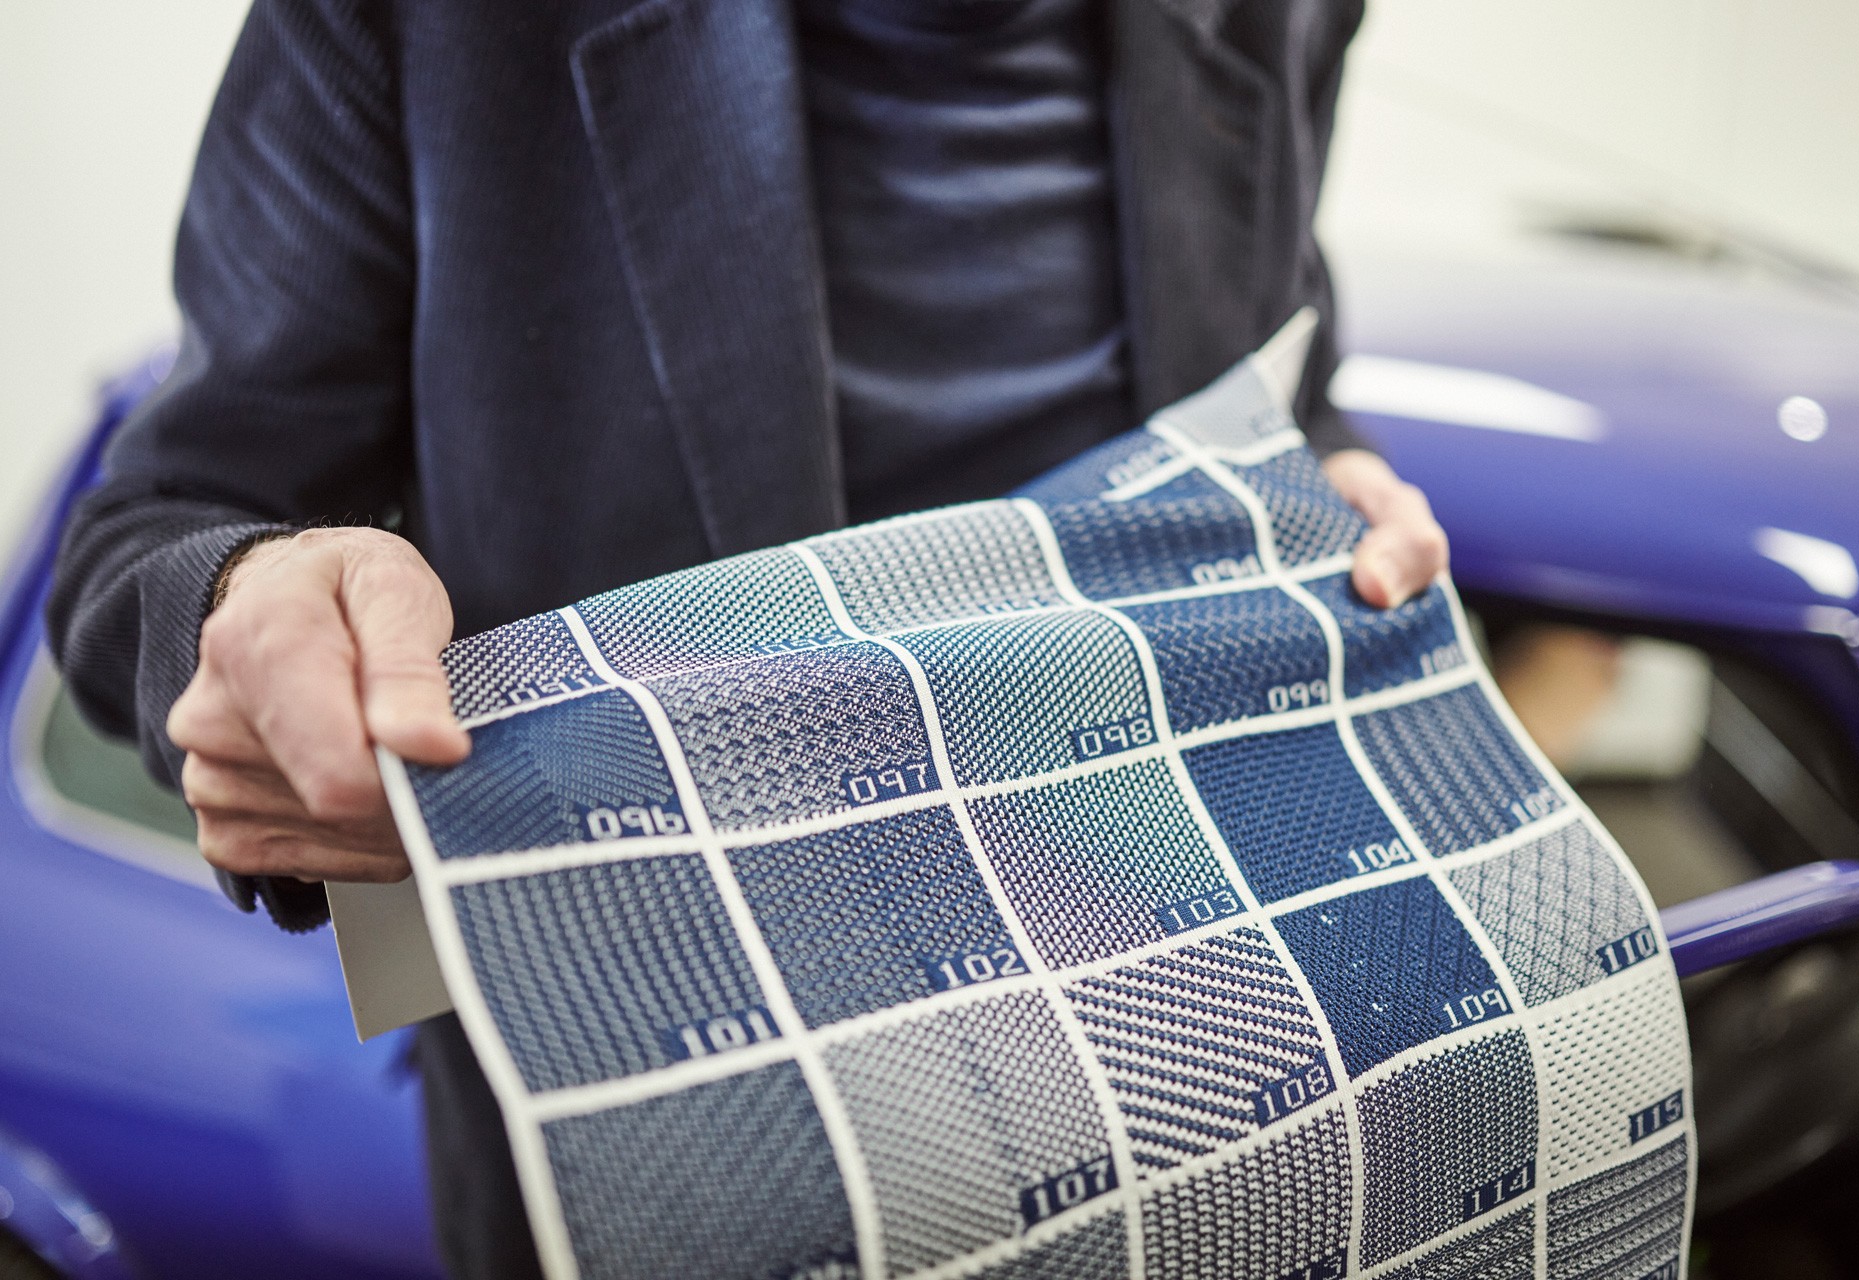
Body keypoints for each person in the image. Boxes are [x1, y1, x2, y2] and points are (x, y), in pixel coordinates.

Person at [47, 0, 1446, 1273]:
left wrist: (1326, 472)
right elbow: (157, 525)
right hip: (660, 1134)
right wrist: (243, 605)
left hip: (1175, 1061)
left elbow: (1283, 369)